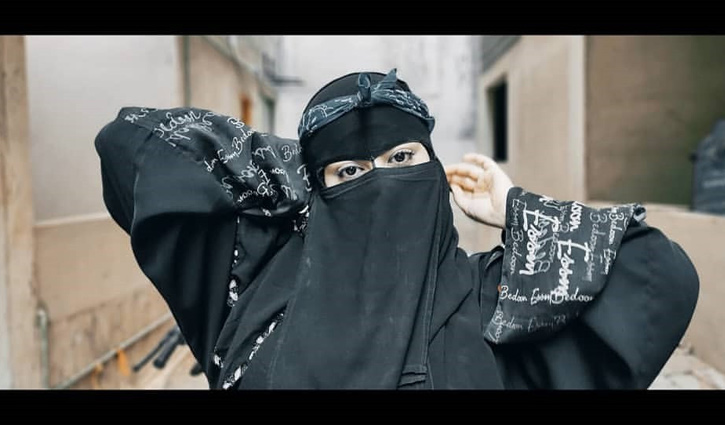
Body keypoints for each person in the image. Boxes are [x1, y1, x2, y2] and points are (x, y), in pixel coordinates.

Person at [94, 68, 699, 389]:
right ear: (315, 185)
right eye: (350, 171)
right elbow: (130, 145)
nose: (380, 182)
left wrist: (515, 208)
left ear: (434, 170)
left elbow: (658, 275)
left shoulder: (497, 300)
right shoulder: (261, 296)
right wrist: (300, 165)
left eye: (402, 158)